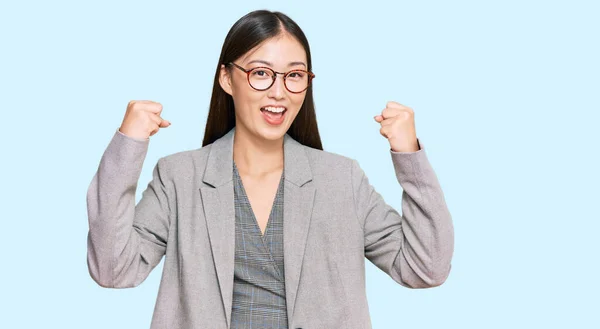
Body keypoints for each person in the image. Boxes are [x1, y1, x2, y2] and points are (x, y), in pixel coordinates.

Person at [86, 9, 454, 329]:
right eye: (261, 73)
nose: (279, 92)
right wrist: (128, 146)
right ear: (227, 78)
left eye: (294, 76)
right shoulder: (179, 178)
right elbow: (114, 268)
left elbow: (425, 267)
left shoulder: (342, 179)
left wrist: (409, 155)